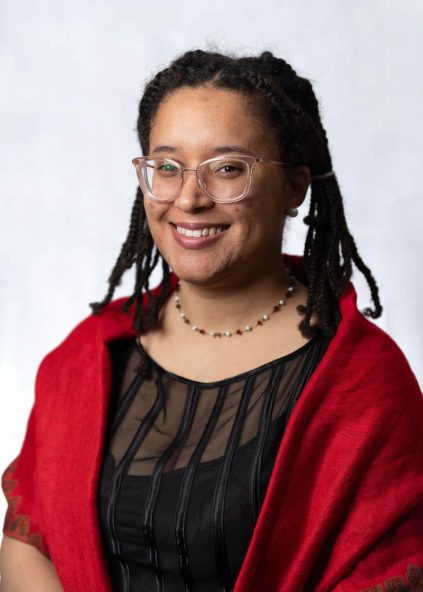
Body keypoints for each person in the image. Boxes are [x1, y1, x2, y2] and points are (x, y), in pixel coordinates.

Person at [0, 49, 422, 592]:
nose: (190, 199)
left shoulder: (362, 383)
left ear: (294, 186)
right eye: (167, 168)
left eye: (227, 169)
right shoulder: (90, 356)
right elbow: (29, 545)